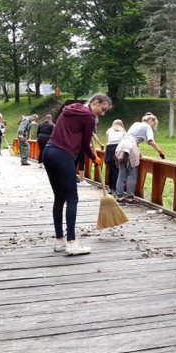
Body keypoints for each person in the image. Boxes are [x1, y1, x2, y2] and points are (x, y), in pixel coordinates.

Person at [43, 93, 110, 255]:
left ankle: (60, 241)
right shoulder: (88, 117)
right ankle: (72, 243)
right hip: (63, 154)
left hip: (48, 152)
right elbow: (85, 144)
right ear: (94, 102)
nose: (102, 113)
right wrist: (94, 158)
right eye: (102, 109)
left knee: (59, 198)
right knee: (72, 197)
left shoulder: (69, 110)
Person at [115, 113, 165, 204]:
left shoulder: (135, 124)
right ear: (151, 121)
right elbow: (150, 141)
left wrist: (139, 152)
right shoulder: (147, 127)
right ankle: (130, 198)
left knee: (122, 173)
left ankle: (120, 197)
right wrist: (160, 152)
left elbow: (133, 138)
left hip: (121, 146)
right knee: (132, 174)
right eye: (154, 124)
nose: (153, 126)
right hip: (131, 146)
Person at [105, 119, 126, 193]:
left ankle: (110, 187)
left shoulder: (109, 130)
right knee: (117, 169)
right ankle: (115, 188)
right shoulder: (123, 131)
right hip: (118, 148)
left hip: (109, 149)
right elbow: (124, 141)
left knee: (111, 169)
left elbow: (107, 141)